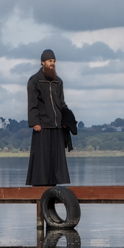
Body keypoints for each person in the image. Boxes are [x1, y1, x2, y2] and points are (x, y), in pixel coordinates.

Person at [26, 49, 77, 186]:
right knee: (42, 160)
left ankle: (54, 187)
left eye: (54, 61)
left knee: (56, 160)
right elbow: (32, 104)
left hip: (57, 126)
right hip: (42, 125)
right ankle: (40, 186)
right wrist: (35, 122)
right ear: (43, 62)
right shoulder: (34, 81)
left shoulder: (58, 81)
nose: (52, 64)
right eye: (50, 61)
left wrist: (67, 120)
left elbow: (62, 103)